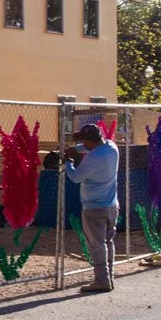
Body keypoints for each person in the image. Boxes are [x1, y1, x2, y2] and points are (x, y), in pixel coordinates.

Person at [63, 122, 120, 293]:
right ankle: (109, 277)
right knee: (108, 242)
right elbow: (92, 147)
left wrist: (68, 163)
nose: (83, 143)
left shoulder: (93, 158)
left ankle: (102, 280)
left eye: (84, 141)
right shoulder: (111, 147)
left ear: (90, 141)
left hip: (94, 207)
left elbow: (75, 177)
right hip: (111, 204)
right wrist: (77, 149)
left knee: (96, 245)